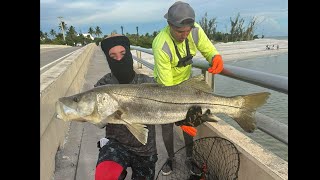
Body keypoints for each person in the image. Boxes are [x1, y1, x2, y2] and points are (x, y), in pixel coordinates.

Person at [152, 1, 224, 176]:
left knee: (190, 121)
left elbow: (207, 48)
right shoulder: (161, 45)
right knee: (167, 125)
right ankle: (170, 157)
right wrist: (179, 119)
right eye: (179, 32)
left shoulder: (195, 29)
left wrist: (214, 56)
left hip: (186, 84)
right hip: (165, 87)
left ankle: (190, 158)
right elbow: (168, 91)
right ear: (169, 25)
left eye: (187, 31)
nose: (184, 35)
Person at [94, 34, 158, 180]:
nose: (119, 59)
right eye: (113, 56)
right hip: (116, 145)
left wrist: (184, 119)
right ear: (108, 58)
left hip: (145, 148)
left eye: (123, 54)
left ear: (129, 53)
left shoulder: (148, 83)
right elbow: (99, 121)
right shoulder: (102, 85)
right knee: (105, 176)